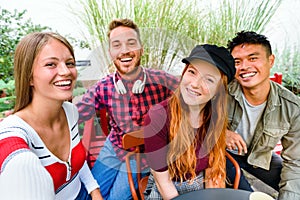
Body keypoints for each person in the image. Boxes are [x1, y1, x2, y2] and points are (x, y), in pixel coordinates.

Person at [76, 18, 179, 199]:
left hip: (143, 154)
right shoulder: (104, 86)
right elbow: (75, 112)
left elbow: (196, 95)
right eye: (117, 45)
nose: (124, 50)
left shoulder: (161, 80)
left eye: (131, 43)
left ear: (141, 49)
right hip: (114, 145)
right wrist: (30, 116)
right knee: (88, 194)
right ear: (110, 53)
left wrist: (223, 130)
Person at [0, 32, 102, 200]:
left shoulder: (70, 111)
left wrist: (94, 190)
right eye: (51, 64)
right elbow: (18, 166)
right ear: (29, 76)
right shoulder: (13, 131)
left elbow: (77, 158)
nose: (66, 71)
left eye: (69, 63)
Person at [143, 44, 236, 199]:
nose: (194, 84)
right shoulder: (158, 116)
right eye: (192, 72)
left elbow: (213, 173)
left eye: (209, 79)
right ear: (184, 72)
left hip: (200, 183)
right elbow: (163, 182)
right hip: (168, 187)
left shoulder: (215, 118)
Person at [225, 31, 300, 199]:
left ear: (270, 61)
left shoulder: (292, 107)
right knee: (247, 195)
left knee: (294, 187)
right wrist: (220, 133)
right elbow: (190, 121)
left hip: (258, 156)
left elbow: (295, 163)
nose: (244, 67)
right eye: (237, 61)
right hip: (222, 155)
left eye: (253, 58)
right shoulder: (221, 90)